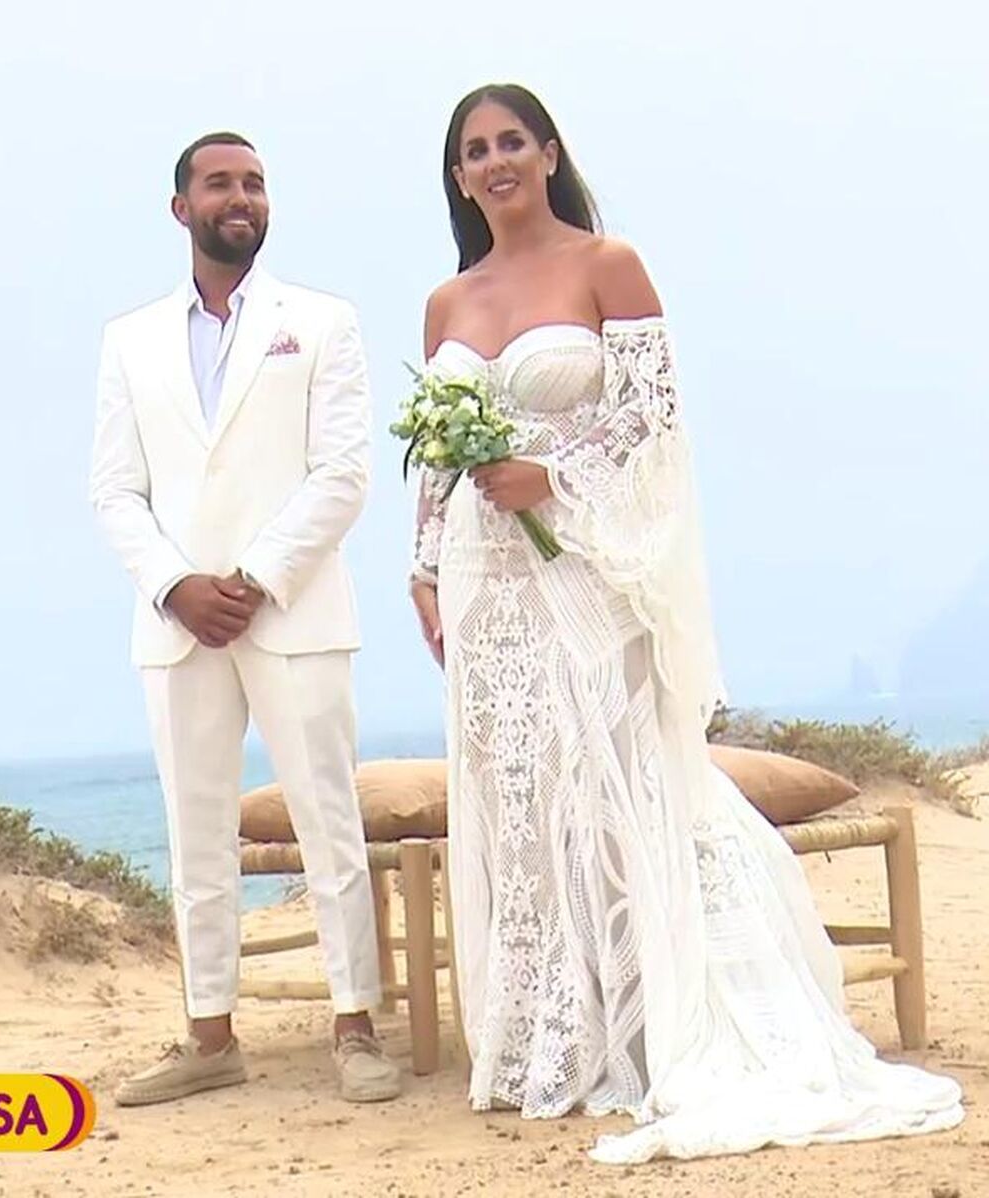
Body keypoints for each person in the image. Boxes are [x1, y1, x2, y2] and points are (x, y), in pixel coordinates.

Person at [410, 84, 962, 1163]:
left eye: (510, 140)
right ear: (460, 175)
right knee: (519, 804)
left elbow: (652, 430)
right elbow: (435, 455)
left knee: (616, 784)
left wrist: (548, 478)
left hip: (588, 569)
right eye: (474, 151)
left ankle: (655, 1024)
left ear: (548, 149)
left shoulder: (608, 264)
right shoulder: (445, 299)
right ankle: (542, 1043)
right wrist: (424, 569)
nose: (494, 161)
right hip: (485, 586)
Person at [91, 131, 399, 1107]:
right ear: (180, 208)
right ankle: (209, 1032)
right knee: (196, 832)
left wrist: (255, 576)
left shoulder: (321, 321)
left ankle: (356, 1025)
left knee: (327, 819)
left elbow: (343, 474)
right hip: (177, 624)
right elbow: (114, 491)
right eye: (220, 182)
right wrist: (178, 584)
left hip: (294, 610)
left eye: (256, 183)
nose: (242, 196)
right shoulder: (128, 338)